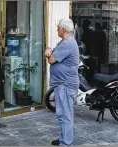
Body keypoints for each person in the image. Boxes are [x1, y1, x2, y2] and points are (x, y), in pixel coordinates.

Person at [45, 18, 79, 146]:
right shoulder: (65, 42)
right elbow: (52, 52)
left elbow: (51, 59)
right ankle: (64, 138)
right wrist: (49, 48)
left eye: (58, 28)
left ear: (63, 30)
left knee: (65, 114)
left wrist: (48, 54)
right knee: (62, 113)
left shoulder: (67, 43)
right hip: (63, 84)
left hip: (65, 85)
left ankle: (66, 142)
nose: (57, 30)